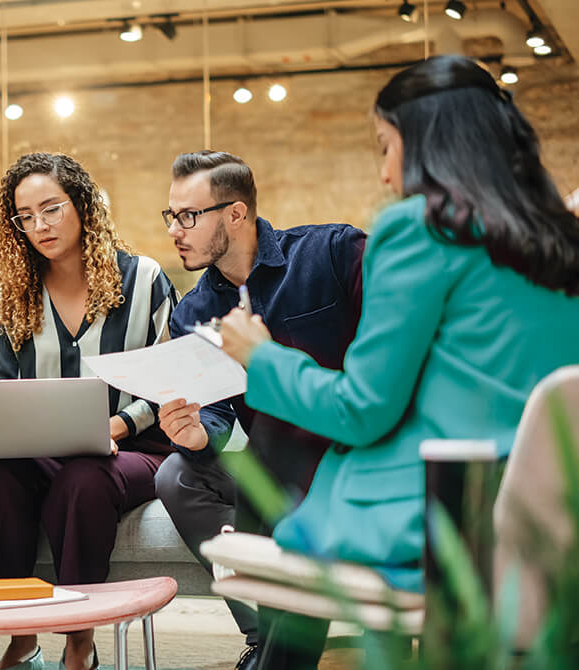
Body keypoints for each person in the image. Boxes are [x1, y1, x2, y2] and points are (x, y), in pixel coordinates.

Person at [216, 55, 579, 669]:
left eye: (385, 147)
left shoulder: (419, 229)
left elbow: (360, 410)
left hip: (439, 515)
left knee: (283, 477)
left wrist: (263, 358)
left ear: (429, 143)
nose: (386, 177)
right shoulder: (563, 242)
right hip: (550, 524)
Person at [0, 152, 177, 670]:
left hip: (132, 449)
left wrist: (119, 424)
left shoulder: (143, 279)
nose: (40, 226)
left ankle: (80, 637)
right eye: (25, 216)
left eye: (51, 209)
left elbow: (170, 383)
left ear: (81, 204)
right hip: (39, 455)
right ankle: (19, 634)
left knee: (85, 477)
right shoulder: (10, 298)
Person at [152, 151, 366, 670]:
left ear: (236, 213)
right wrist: (199, 431)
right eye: (171, 216)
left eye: (189, 216)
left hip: (355, 446)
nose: (175, 231)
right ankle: (263, 630)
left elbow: (396, 344)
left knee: (280, 475)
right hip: (272, 461)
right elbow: (219, 414)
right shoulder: (194, 312)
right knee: (177, 473)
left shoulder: (333, 252)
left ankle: (279, 640)